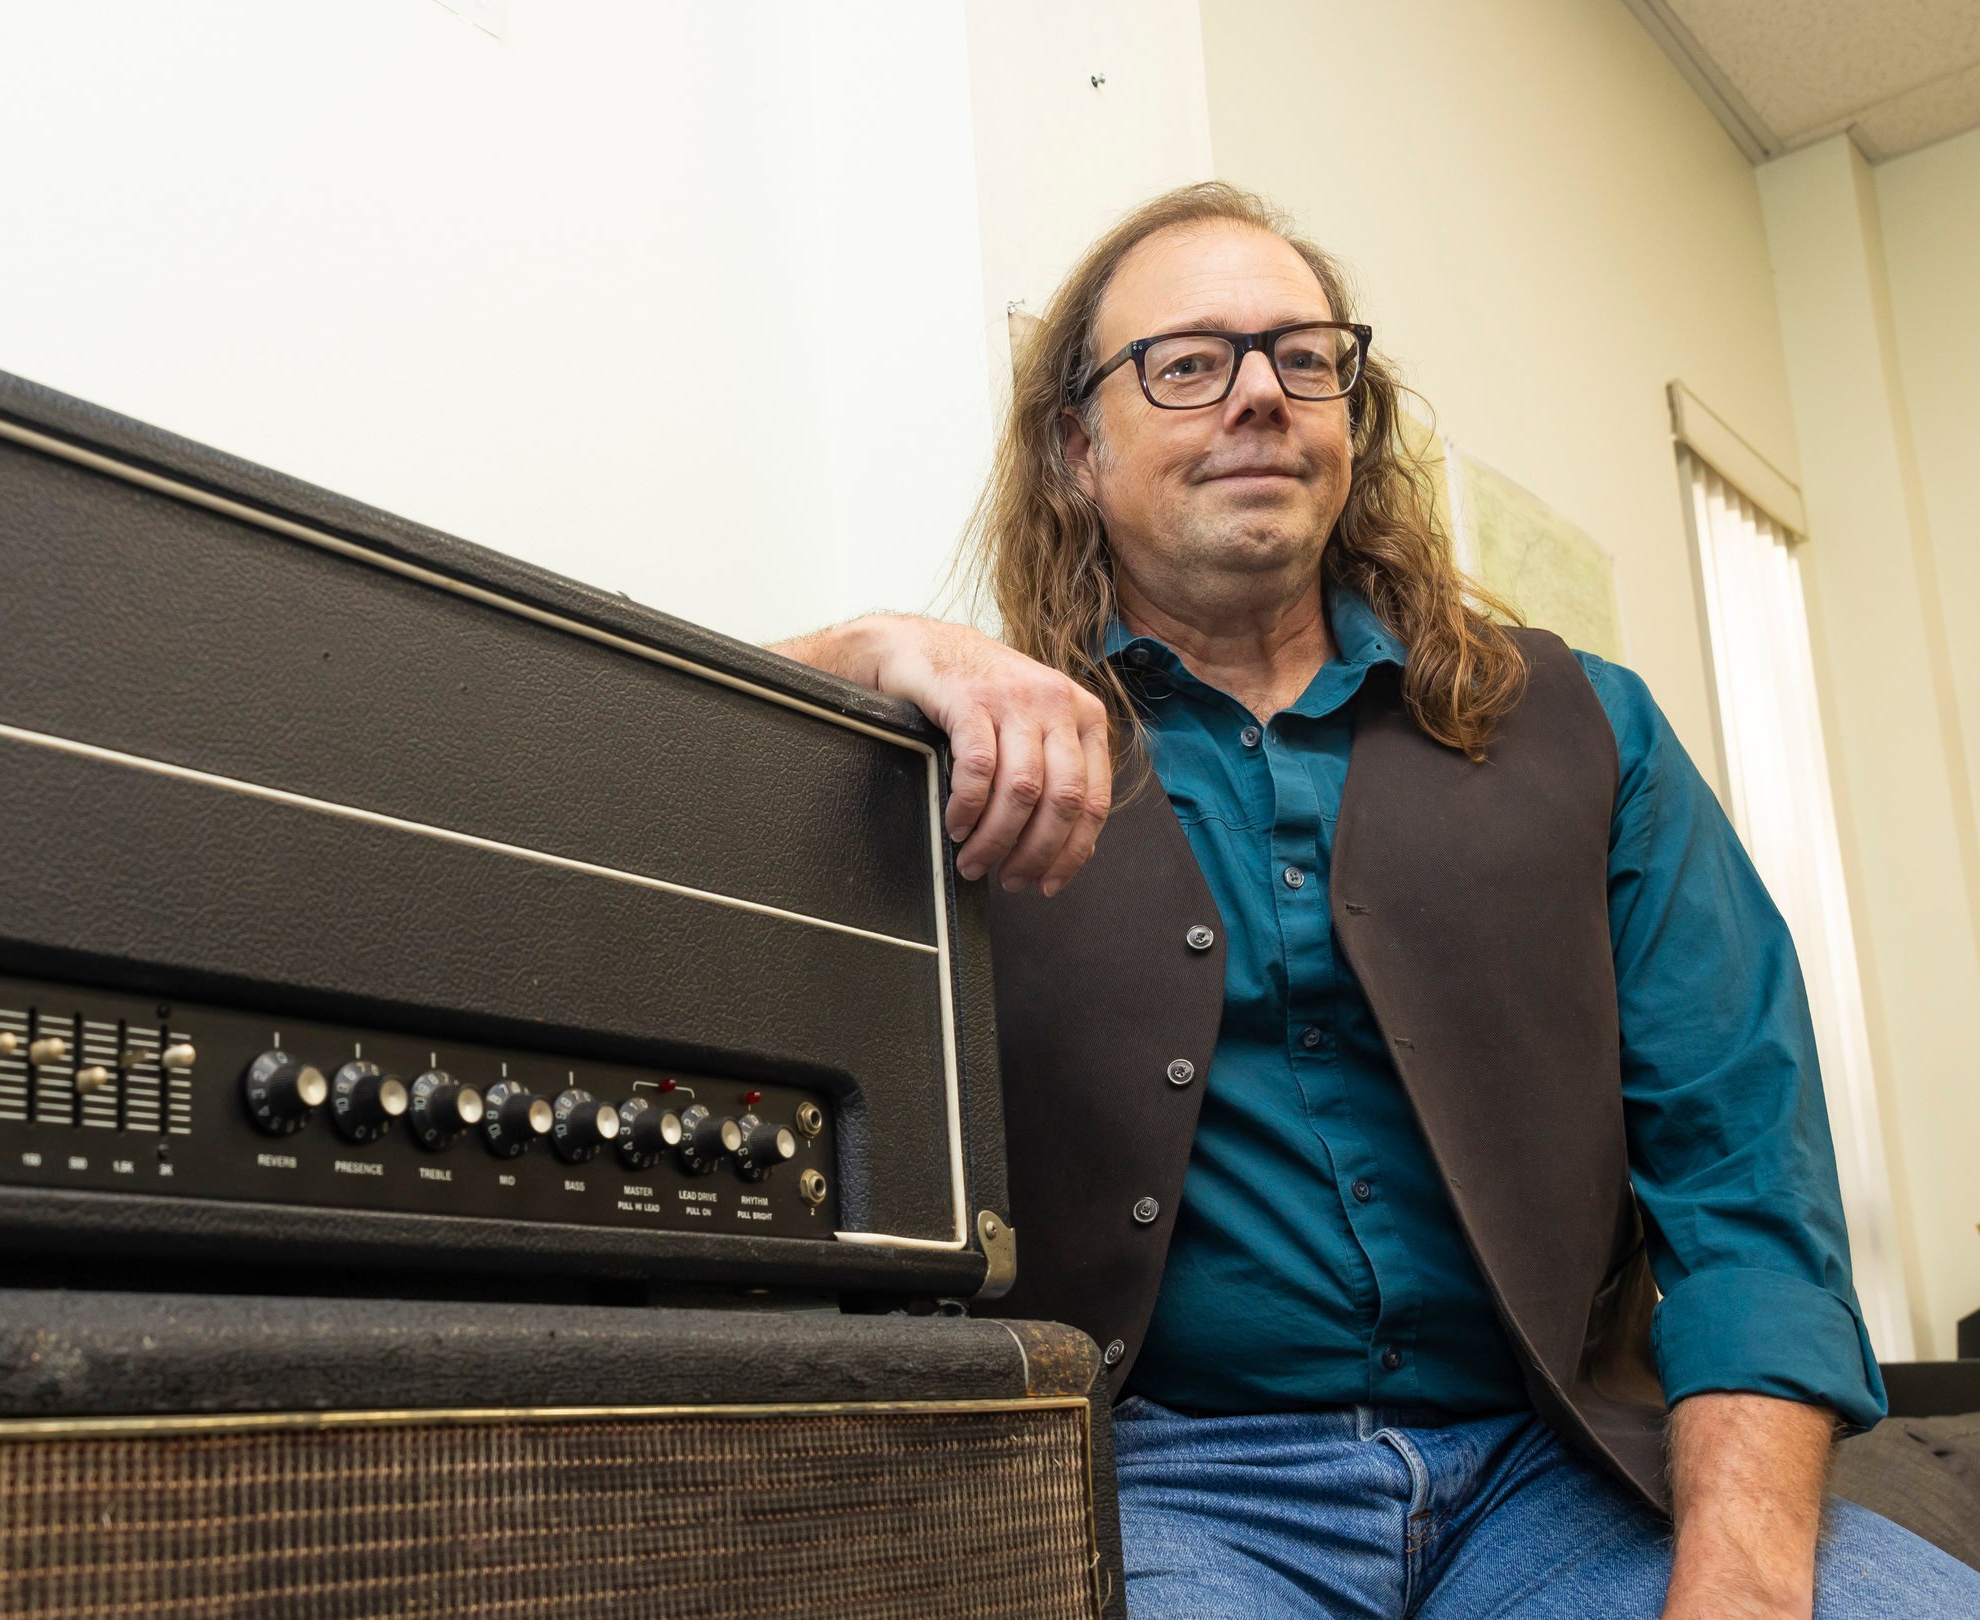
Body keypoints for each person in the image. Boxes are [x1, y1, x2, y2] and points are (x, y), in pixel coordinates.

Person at [773, 183, 1980, 1618]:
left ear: (1353, 419)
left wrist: (1747, 1580)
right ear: (1077, 451)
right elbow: (635, 778)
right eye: (1188, 363)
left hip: (1558, 1478)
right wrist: (864, 651)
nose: (1261, 395)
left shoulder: (1594, 731)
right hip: (1172, 1490)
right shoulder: (975, 753)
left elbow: (1747, 1183)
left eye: (1304, 357)